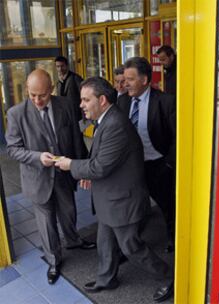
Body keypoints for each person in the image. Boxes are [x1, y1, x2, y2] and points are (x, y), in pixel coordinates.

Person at [55, 77, 172, 298]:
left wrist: (71, 165)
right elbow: (101, 157)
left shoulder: (116, 125)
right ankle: (106, 279)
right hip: (110, 199)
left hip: (122, 201)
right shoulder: (106, 120)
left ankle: (168, 277)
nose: (81, 105)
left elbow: (99, 167)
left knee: (131, 247)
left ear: (102, 100)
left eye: (85, 100)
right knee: (105, 242)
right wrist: (87, 170)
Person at [5, 69, 95, 285]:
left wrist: (81, 168)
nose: (37, 100)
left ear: (52, 89)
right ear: (27, 89)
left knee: (69, 212)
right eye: (32, 94)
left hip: (64, 174)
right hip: (37, 178)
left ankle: (73, 240)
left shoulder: (65, 105)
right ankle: (54, 260)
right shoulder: (16, 114)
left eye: (42, 95)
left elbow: (75, 138)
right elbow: (13, 149)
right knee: (46, 224)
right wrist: (37, 157)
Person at [119, 56, 176, 302]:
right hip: (131, 169)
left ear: (144, 80)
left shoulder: (165, 102)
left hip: (158, 166)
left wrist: (168, 164)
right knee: (134, 207)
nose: (125, 84)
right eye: (125, 79)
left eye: (130, 79)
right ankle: (130, 245)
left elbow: (178, 136)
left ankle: (174, 244)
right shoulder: (121, 102)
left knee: (168, 208)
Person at [55, 56, 84, 121]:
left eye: (62, 66)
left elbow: (84, 95)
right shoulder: (58, 83)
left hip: (77, 115)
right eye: (58, 66)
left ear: (67, 66)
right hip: (65, 116)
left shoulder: (76, 78)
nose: (60, 69)